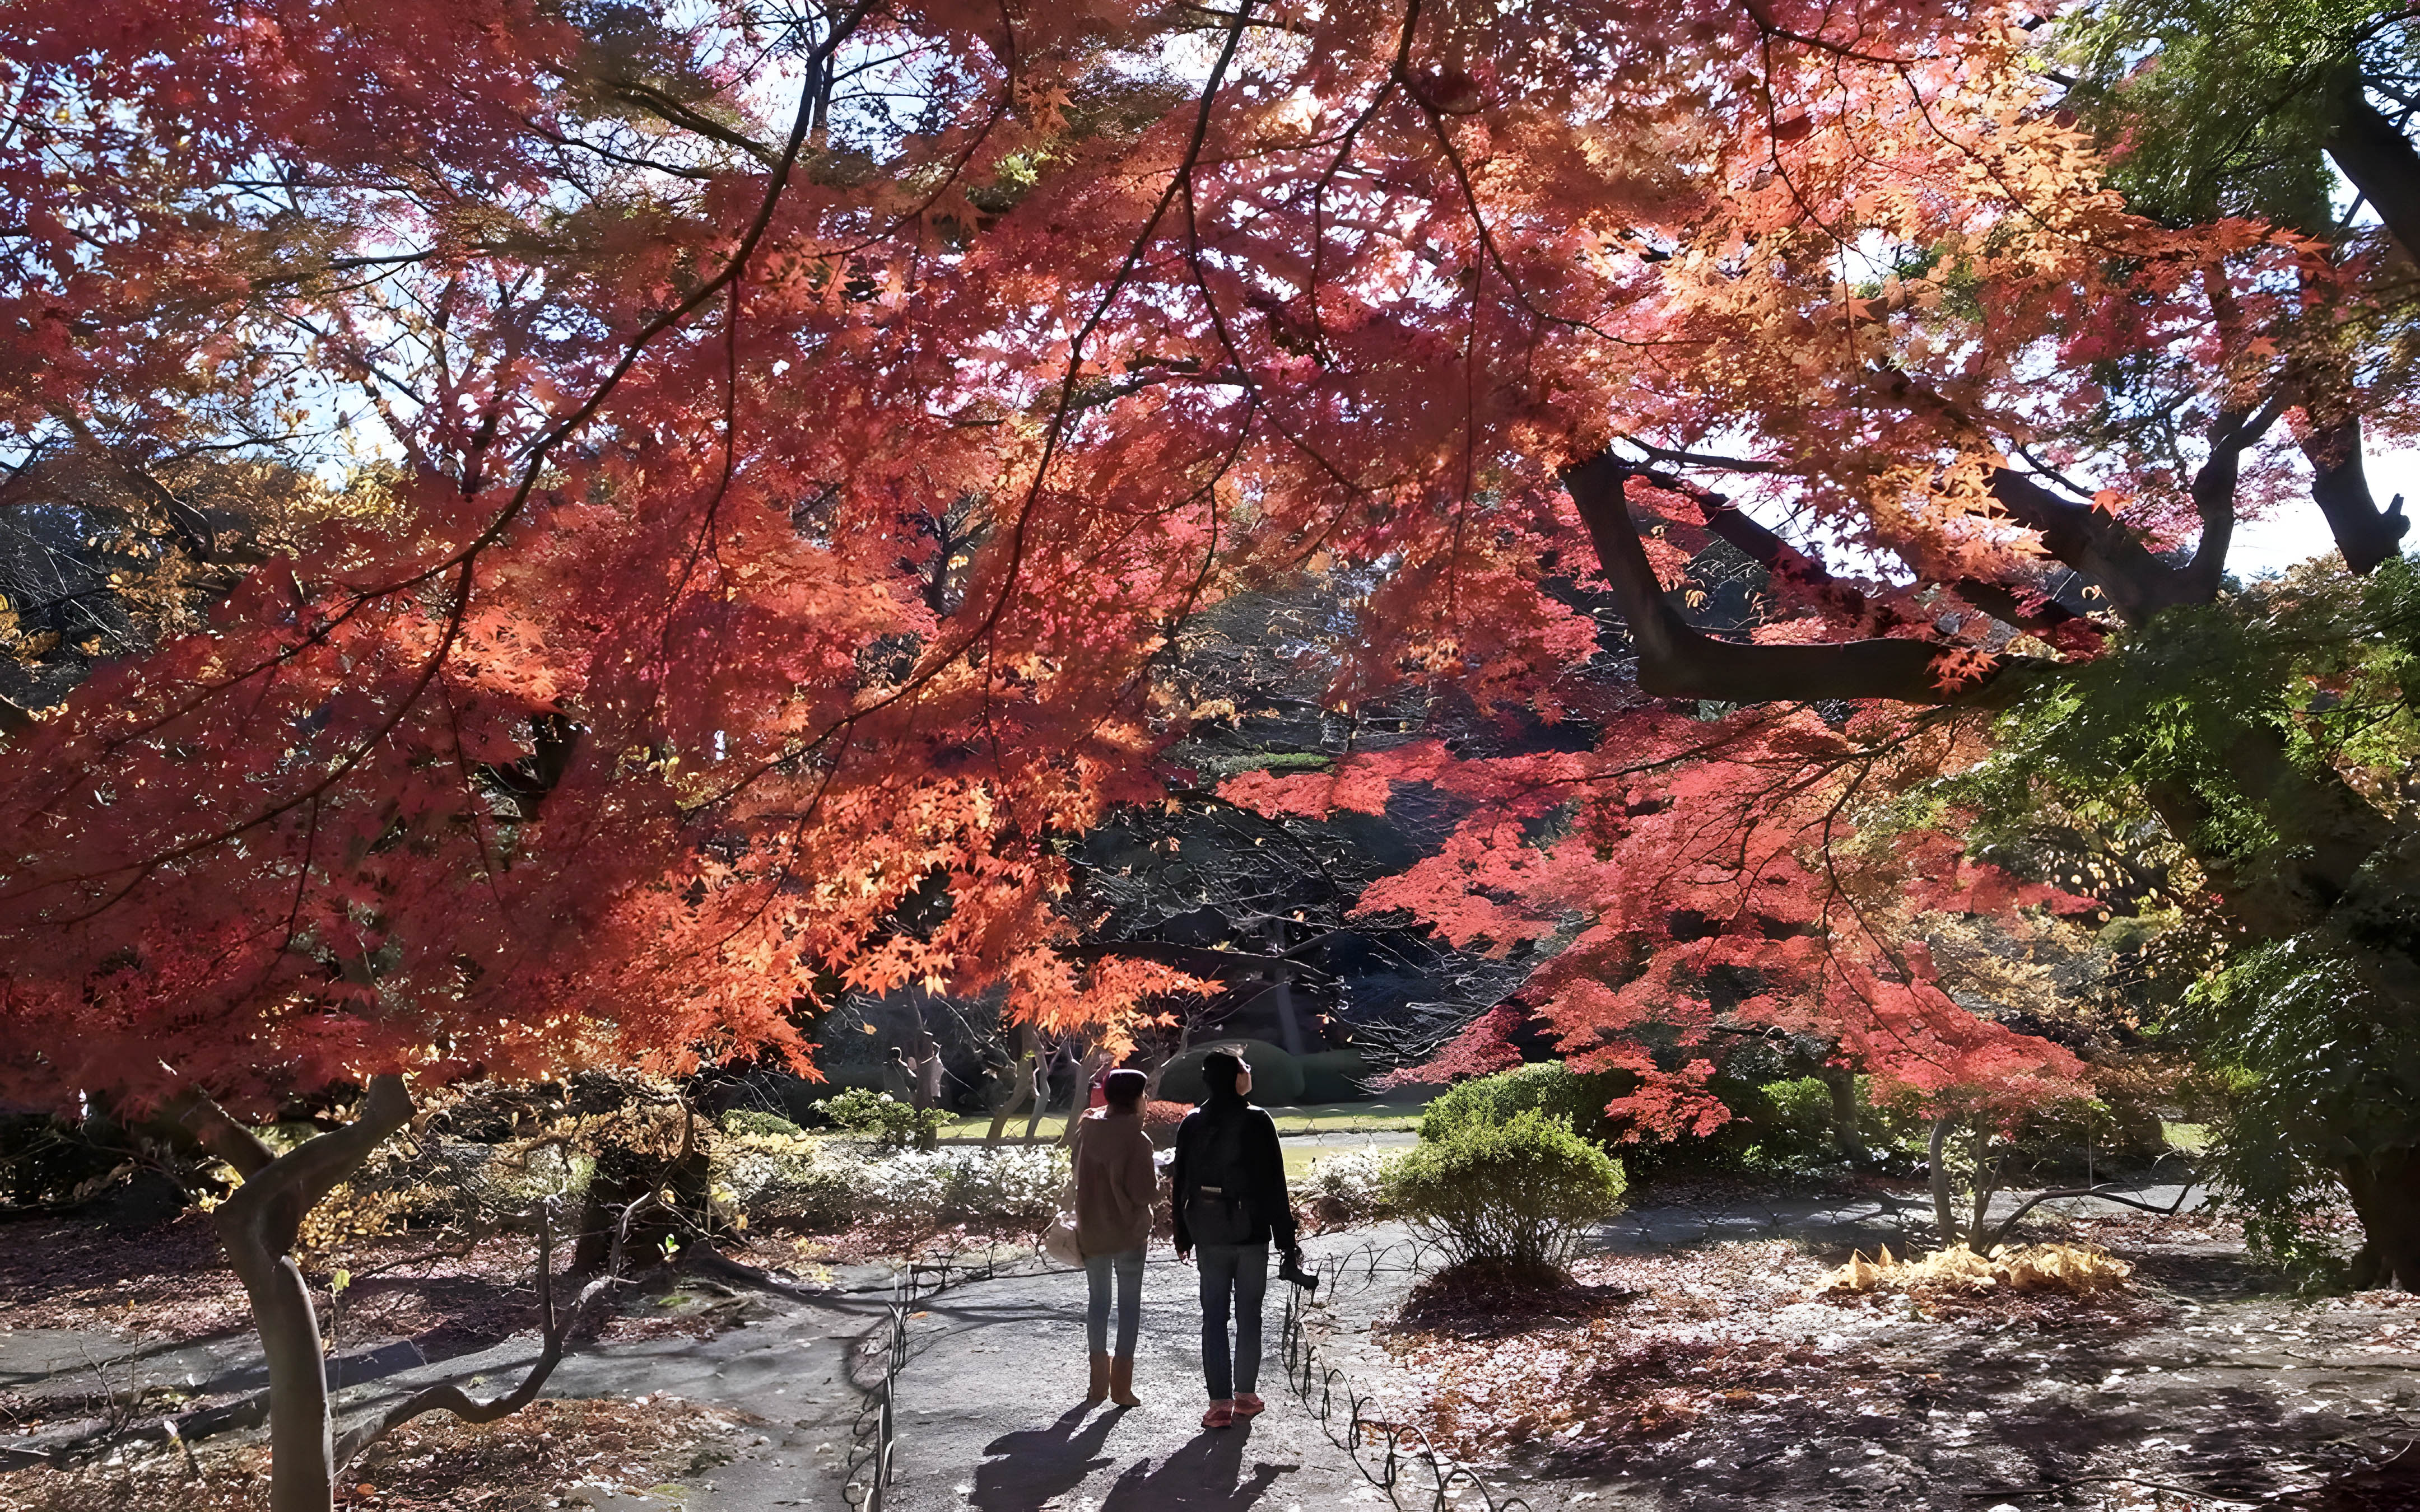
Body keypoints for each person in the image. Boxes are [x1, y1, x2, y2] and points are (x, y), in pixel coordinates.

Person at [1171, 1048, 1300, 1429]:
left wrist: (1182, 1234)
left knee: (1213, 1318)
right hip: (1252, 1232)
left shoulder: (1193, 1122)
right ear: (1235, 1077)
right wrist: (1286, 1240)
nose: (1250, 1070)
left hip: (1208, 1233)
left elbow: (1181, 1184)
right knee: (1249, 1316)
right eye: (1245, 1066)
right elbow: (1276, 1185)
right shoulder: (1258, 1121)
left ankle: (1218, 1405)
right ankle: (1245, 1395)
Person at [1073, 1066, 1156, 1407]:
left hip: (1092, 1230)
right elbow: (1143, 1193)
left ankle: (1097, 1385)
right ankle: (1122, 1387)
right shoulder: (1137, 1139)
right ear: (1138, 1098)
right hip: (1128, 1233)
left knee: (1098, 1304)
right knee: (1129, 1307)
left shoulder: (1086, 1130)